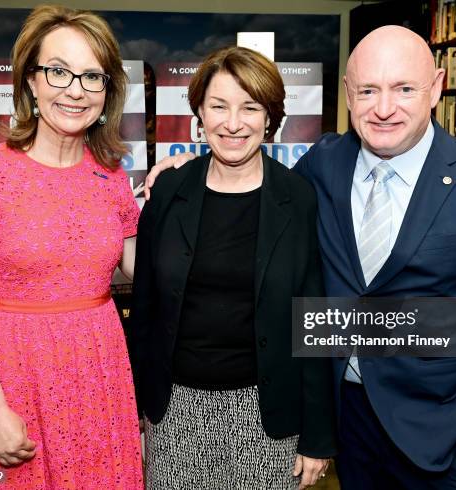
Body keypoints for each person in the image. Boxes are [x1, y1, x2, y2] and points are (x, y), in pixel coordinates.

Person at [146, 26, 456, 490]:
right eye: (368, 90)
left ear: (436, 88)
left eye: (404, 89)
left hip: (446, 439)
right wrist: (182, 170)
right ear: (349, 96)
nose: (384, 108)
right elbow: (255, 191)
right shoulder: (324, 165)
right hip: (349, 423)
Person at [0, 5, 143, 488]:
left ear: (107, 91)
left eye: (92, 76)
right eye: (59, 71)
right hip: (14, 380)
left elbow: (145, 270)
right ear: (30, 80)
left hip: (99, 376)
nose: (76, 90)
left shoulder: (111, 177)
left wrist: (185, 198)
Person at [131, 46, 337, 490]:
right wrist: (135, 416)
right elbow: (144, 312)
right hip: (174, 415)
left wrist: (318, 437)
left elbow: (314, 324)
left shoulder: (298, 198)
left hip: (268, 419)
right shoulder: (167, 193)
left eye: (250, 107)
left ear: (270, 117)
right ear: (199, 114)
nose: (233, 122)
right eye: (218, 106)